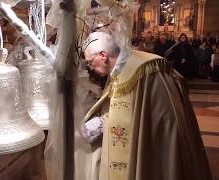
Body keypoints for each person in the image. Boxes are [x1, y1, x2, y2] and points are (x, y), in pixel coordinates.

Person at [81, 31, 211, 180]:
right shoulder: (118, 70)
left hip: (152, 147)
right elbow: (122, 108)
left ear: (103, 55)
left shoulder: (149, 69)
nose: (90, 67)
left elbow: (164, 121)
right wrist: (101, 123)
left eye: (90, 62)